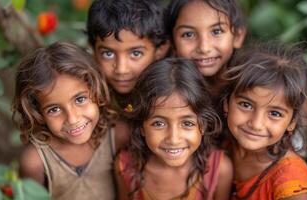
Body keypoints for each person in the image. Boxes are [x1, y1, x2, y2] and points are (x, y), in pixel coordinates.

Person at [12, 42, 119, 200]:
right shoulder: (36, 162)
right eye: (54, 109)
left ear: (97, 91)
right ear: (38, 114)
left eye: (80, 99)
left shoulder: (118, 136)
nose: (72, 118)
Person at [115, 58, 233, 200]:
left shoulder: (219, 170)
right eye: (159, 123)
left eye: (187, 123)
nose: (173, 139)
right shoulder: (125, 167)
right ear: (141, 126)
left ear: (203, 124)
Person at [222, 41, 307, 200]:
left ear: (292, 122)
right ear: (227, 103)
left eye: (274, 113)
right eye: (246, 105)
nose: (256, 124)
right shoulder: (225, 146)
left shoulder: (290, 182)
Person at [87, 0, 169, 114]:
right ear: (92, 49)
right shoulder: (88, 97)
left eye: (135, 53)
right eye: (108, 54)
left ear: (160, 50)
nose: (121, 69)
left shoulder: (171, 99)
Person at [166, 0, 246, 97]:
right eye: (188, 34)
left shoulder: (251, 88)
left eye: (216, 31)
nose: (204, 48)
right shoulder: (163, 93)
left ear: (237, 37)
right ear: (172, 42)